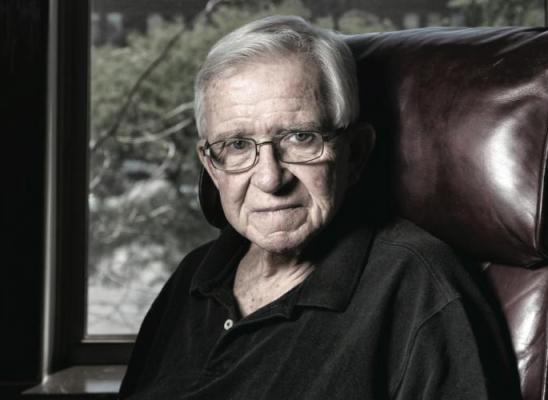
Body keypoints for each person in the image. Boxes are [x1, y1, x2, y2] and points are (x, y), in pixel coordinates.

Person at [119, 16, 522, 400]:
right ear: (211, 166)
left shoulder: (418, 288)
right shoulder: (195, 274)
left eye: (300, 138)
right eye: (237, 145)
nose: (270, 179)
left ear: (355, 153)